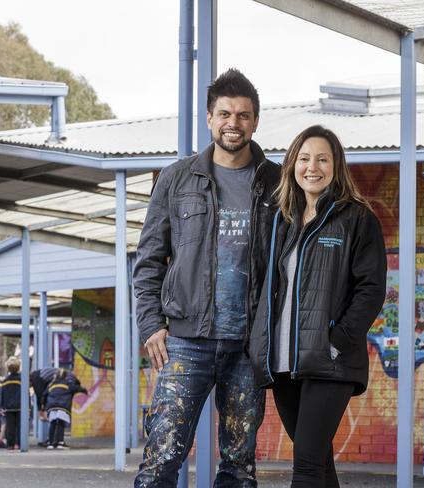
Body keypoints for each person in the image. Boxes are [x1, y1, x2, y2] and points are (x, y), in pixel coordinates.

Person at [133, 68, 281, 487]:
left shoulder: (275, 182)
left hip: (248, 346)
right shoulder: (177, 179)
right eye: (225, 114)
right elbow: (147, 259)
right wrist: (151, 325)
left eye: (244, 115)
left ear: (255, 121)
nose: (234, 123)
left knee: (238, 467)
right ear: (210, 118)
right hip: (185, 341)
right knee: (161, 460)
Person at [248, 125, 387, 487]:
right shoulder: (282, 222)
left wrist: (338, 340)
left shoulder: (356, 218)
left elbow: (371, 288)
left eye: (322, 159)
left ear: (336, 166)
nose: (313, 167)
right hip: (283, 362)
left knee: (306, 465)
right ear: (292, 164)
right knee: (319, 462)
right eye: (305, 158)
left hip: (329, 360)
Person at [42, 368, 87, 449]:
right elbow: (78, 388)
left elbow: (44, 395)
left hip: (52, 407)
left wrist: (44, 406)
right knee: (60, 423)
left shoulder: (51, 385)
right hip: (63, 406)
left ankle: (51, 443)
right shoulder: (68, 384)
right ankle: (60, 442)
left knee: (53, 423)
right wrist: (86, 391)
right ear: (65, 376)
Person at [0, 357, 23, 451]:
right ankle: (18, 443)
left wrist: (2, 405)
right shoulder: (22, 380)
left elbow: (3, 394)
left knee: (10, 426)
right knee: (19, 426)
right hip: (20, 406)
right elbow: (26, 393)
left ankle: (10, 445)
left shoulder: (5, 381)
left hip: (8, 407)